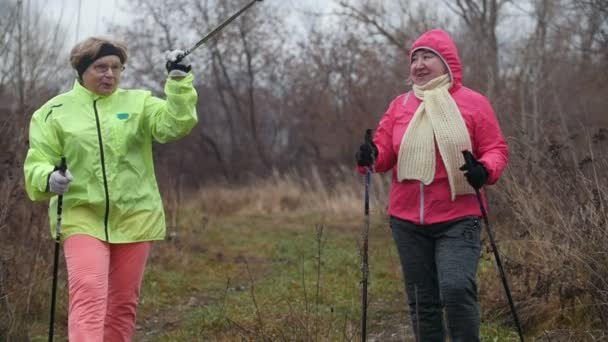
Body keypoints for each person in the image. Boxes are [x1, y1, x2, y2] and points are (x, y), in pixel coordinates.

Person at [23, 37, 198, 340]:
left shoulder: (139, 103)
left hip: (136, 216)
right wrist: (48, 177)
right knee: (88, 296)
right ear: (81, 71)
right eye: (100, 67)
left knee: (122, 306)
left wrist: (179, 82)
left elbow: (175, 124)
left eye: (116, 68)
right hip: (82, 217)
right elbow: (36, 162)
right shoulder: (53, 112)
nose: (110, 75)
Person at [356, 29, 508, 341]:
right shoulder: (400, 105)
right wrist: (368, 155)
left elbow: (496, 149)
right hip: (406, 221)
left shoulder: (473, 103)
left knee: (455, 289)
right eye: (415, 59)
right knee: (422, 300)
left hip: (459, 217)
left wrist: (484, 168)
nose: (419, 65)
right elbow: (382, 155)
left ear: (447, 63)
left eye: (428, 57)